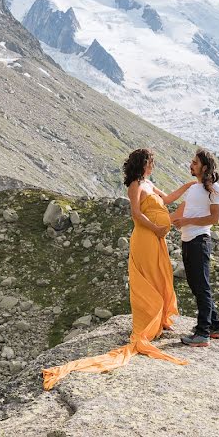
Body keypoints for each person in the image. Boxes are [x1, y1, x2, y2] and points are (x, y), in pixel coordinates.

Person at [42, 148, 196, 389]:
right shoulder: (134, 186)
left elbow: (166, 200)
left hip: (157, 237)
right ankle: (147, 323)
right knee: (147, 276)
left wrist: (189, 186)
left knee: (159, 274)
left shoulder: (148, 182)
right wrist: (156, 229)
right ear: (143, 164)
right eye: (151, 162)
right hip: (146, 236)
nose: (153, 166)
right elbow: (136, 213)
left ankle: (158, 319)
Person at [170, 148, 219, 347]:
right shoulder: (193, 188)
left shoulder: (215, 188)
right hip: (187, 240)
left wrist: (187, 221)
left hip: (200, 240)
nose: (191, 165)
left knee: (201, 286)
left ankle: (202, 334)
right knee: (196, 285)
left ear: (205, 167)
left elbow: (214, 218)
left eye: (195, 163)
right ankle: (214, 326)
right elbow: (181, 210)